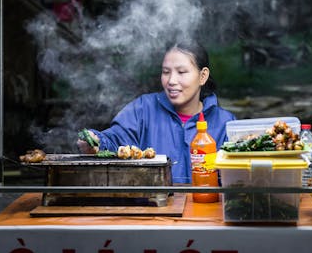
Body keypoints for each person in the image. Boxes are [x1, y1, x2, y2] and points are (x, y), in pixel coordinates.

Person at [77, 40, 236, 184]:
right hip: (152, 209)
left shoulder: (225, 123)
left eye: (181, 72)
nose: (172, 81)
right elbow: (114, 140)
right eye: (166, 72)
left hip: (206, 210)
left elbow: (235, 178)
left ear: (203, 76)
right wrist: (96, 142)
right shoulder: (142, 109)